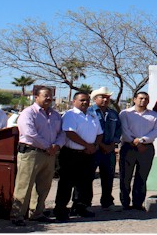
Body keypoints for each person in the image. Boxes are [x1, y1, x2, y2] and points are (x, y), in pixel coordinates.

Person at [9, 86, 65, 226]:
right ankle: (17, 215)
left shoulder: (56, 115)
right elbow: (29, 133)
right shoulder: (28, 113)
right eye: (45, 95)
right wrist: (48, 146)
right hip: (31, 153)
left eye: (50, 96)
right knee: (24, 185)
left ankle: (36, 213)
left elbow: (62, 133)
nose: (48, 98)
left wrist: (56, 146)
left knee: (44, 186)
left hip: (49, 155)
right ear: (36, 97)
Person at [54, 92, 103, 220]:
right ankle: (60, 209)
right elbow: (70, 133)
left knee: (85, 183)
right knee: (66, 183)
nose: (85, 103)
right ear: (74, 101)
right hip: (71, 154)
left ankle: (80, 207)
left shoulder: (92, 115)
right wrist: (87, 145)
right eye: (82, 100)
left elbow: (99, 133)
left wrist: (94, 146)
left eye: (87, 100)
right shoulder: (70, 115)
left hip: (88, 154)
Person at [119, 92, 157, 211]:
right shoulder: (125, 113)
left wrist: (142, 140)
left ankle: (138, 203)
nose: (143, 100)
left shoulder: (154, 115)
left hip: (146, 148)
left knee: (142, 177)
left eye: (146, 99)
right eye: (140, 98)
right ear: (134, 99)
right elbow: (124, 130)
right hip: (128, 147)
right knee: (125, 176)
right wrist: (135, 142)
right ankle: (125, 203)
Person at [87, 87, 122, 210]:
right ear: (95, 98)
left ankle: (107, 201)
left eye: (107, 97)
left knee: (108, 177)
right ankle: (85, 203)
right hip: (93, 150)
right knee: (88, 177)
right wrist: (101, 145)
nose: (105, 99)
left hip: (109, 150)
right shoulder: (89, 112)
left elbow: (118, 130)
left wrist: (112, 145)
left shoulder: (113, 113)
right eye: (102, 97)